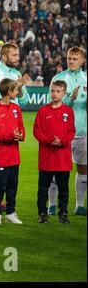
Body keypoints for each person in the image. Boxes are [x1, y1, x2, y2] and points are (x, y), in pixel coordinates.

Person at [48, 46, 87, 216]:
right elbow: (54, 107)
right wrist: (71, 100)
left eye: (75, 58)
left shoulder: (86, 79)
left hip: (82, 132)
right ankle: (51, 204)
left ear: (82, 60)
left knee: (83, 169)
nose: (71, 61)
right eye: (69, 58)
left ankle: (79, 205)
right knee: (55, 169)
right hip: (61, 134)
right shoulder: (59, 78)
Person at [33, 80, 76, 224]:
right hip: (47, 157)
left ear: (64, 93)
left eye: (58, 91)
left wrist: (62, 141)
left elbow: (71, 132)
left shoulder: (68, 112)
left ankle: (63, 213)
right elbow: (37, 131)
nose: (54, 94)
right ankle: (42, 213)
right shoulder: (43, 111)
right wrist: (49, 140)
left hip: (62, 158)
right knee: (43, 188)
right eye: (53, 91)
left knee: (63, 189)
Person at [0, 78, 26, 225]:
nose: (18, 92)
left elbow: (21, 127)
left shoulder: (16, 109)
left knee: (12, 185)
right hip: (1, 156)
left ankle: (10, 212)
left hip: (14, 155)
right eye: (16, 89)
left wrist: (20, 135)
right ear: (9, 92)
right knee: (0, 186)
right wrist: (10, 136)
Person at [0, 43, 31, 110]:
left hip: (14, 117)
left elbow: (24, 103)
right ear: (4, 57)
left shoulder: (18, 74)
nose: (18, 58)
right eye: (14, 55)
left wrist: (19, 89)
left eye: (18, 55)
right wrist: (13, 89)